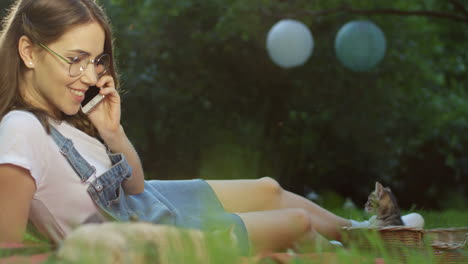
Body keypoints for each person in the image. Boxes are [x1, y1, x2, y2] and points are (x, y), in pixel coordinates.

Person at [0, 0, 419, 256]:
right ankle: (353, 246)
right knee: (294, 223)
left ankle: (365, 233)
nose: (90, 76)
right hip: (144, 232)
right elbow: (7, 245)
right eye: (74, 58)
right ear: (28, 52)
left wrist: (112, 132)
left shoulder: (63, 120)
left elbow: (136, 187)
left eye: (96, 60)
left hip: (147, 202)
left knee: (269, 189)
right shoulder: (21, 129)